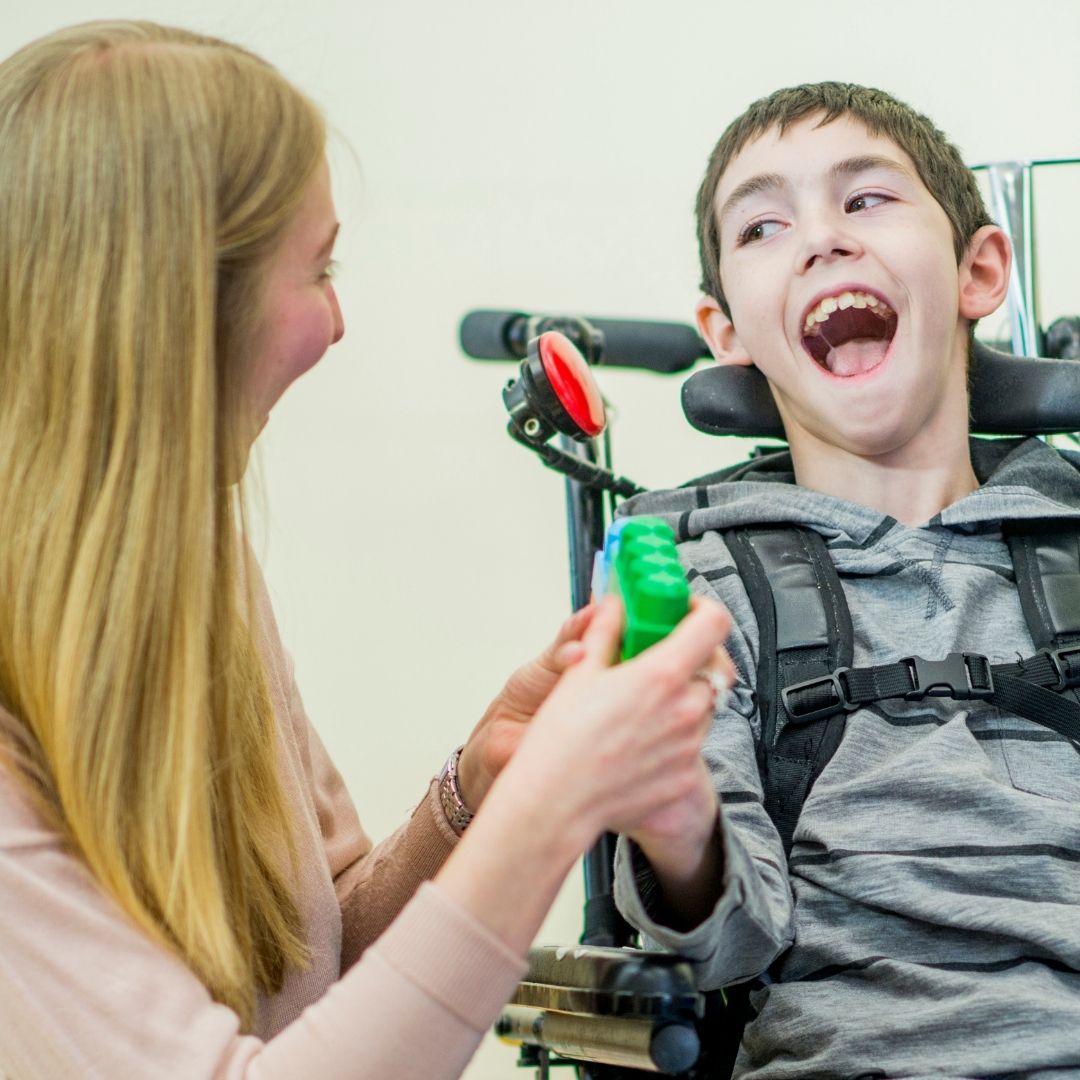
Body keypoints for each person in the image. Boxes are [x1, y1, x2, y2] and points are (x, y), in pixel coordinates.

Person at [0, 20, 734, 1080]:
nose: (339, 323)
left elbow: (318, 969)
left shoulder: (198, 570)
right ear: (180, 306)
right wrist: (552, 805)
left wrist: (480, 787)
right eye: (319, 268)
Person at [611, 83, 1080, 1078]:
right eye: (765, 225)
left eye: (865, 201)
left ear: (979, 269)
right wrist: (673, 814)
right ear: (727, 327)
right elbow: (728, 941)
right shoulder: (701, 589)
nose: (823, 240)